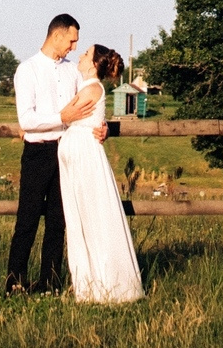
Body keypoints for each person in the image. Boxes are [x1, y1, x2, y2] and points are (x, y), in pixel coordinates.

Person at [54, 43, 144, 302]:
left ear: (94, 64)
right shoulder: (85, 85)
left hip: (84, 156)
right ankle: (89, 282)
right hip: (75, 154)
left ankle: (109, 284)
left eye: (86, 54)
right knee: (79, 217)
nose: (80, 55)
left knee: (92, 216)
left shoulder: (92, 88)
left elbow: (65, 114)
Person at [6, 13, 84, 294]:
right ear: (58, 35)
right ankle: (14, 282)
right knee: (26, 220)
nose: (74, 47)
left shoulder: (72, 71)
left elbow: (85, 108)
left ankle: (50, 283)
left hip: (65, 152)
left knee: (57, 223)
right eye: (72, 41)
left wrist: (100, 128)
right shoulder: (27, 70)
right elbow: (26, 120)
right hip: (38, 152)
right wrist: (62, 116)